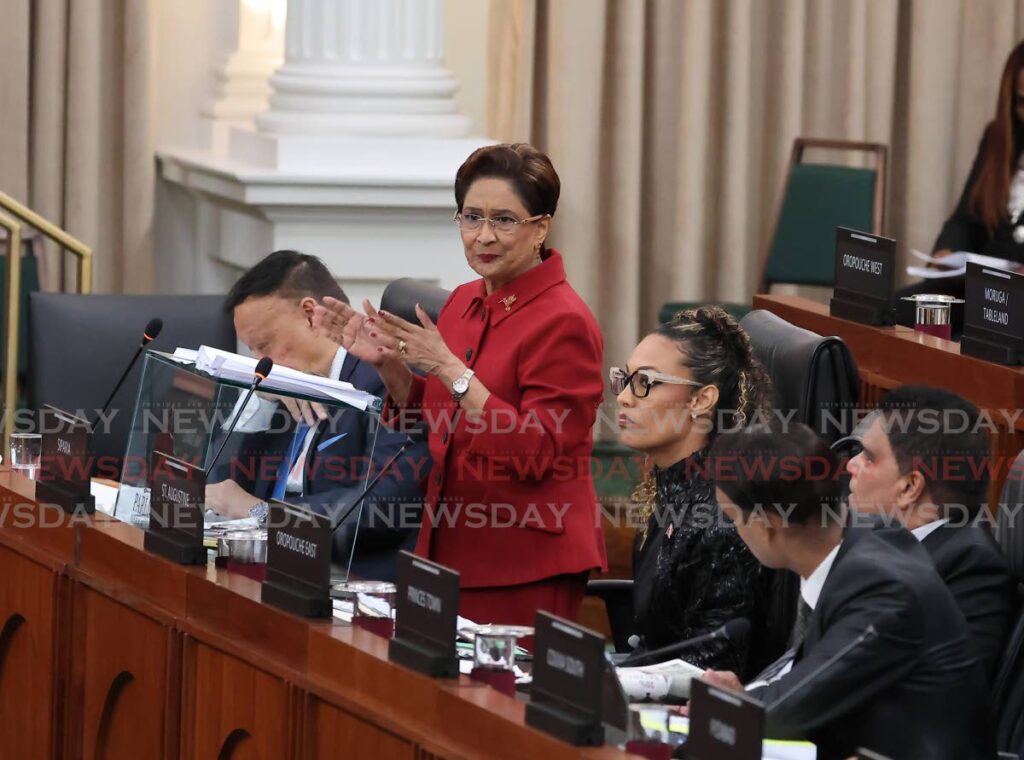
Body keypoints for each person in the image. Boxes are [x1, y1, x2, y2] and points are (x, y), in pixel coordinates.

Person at [312, 144, 606, 626]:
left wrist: (451, 370)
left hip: (525, 561)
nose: (483, 236)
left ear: (541, 227)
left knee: (505, 702)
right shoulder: (465, 301)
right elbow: (438, 418)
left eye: (504, 220)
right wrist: (390, 366)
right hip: (447, 546)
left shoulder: (564, 322)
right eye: (471, 217)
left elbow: (539, 451)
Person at [704, 423, 994, 760]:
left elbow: (782, 711)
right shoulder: (864, 536)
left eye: (732, 517)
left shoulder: (885, 591)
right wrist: (747, 697)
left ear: (767, 523)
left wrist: (734, 705)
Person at [206, 250, 428, 581]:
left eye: (264, 345)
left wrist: (261, 513)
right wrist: (262, 401)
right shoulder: (281, 382)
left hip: (344, 581)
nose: (258, 362)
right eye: (251, 350)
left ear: (311, 316)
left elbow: (377, 510)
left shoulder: (386, 384)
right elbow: (219, 486)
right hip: (265, 567)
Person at [611, 306, 772, 675]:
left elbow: (712, 665)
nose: (622, 397)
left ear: (701, 400)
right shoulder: (670, 482)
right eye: (625, 378)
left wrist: (615, 682)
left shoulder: (722, 515)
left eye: (645, 383)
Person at [846, 385, 1017, 682]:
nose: (851, 464)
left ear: (910, 487)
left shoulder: (971, 570)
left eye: (869, 458)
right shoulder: (867, 537)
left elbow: (941, 700)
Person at [897, 40, 1024, 331]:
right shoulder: (997, 140)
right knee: (898, 310)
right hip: (979, 288)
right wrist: (947, 251)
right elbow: (966, 220)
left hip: (1016, 302)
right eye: (1021, 101)